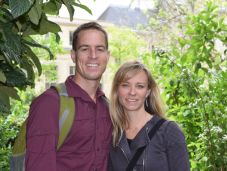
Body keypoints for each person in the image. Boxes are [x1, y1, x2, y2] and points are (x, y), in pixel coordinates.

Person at [25, 22, 112, 171]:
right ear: (73, 55)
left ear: (107, 56)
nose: (93, 56)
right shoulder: (50, 103)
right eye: (85, 49)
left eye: (100, 49)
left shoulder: (107, 106)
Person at [108, 61, 190, 171]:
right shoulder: (113, 134)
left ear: (147, 92)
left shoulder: (168, 131)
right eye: (125, 85)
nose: (132, 92)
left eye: (140, 86)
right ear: (117, 90)